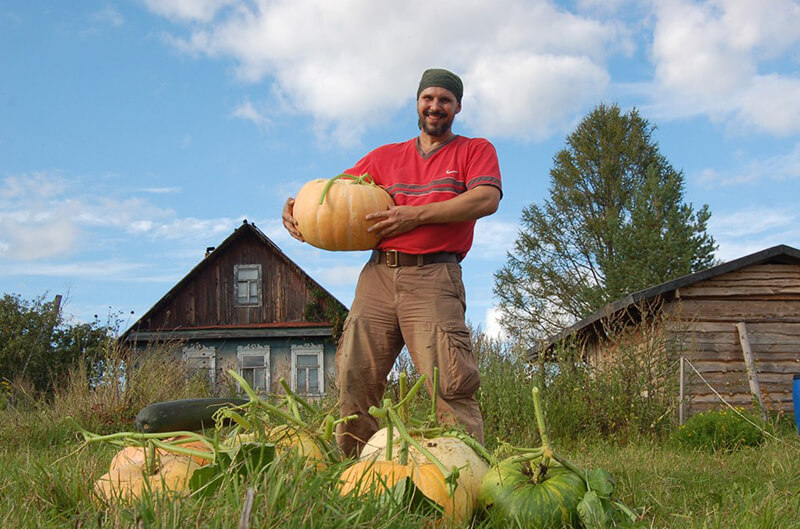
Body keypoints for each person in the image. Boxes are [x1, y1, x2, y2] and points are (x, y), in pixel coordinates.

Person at [282, 68, 502, 457]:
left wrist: (414, 215)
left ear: (458, 107)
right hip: (378, 276)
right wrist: (298, 210)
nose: (435, 107)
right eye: (429, 98)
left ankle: (466, 474)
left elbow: (486, 198)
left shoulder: (474, 149)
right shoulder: (385, 157)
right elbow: (334, 197)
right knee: (355, 375)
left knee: (449, 382)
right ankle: (355, 470)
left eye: (445, 100)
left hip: (434, 275)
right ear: (417, 102)